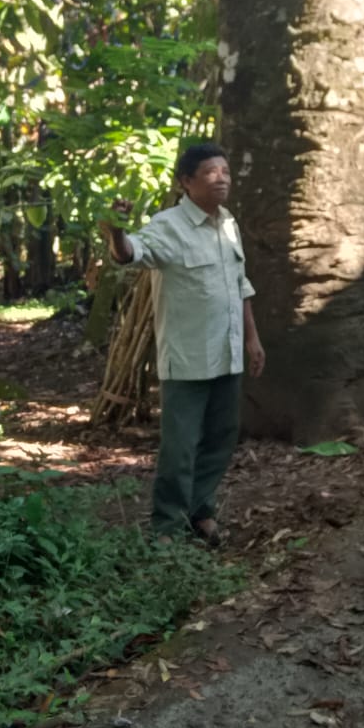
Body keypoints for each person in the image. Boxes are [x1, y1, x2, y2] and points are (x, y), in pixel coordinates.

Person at [99, 142, 265, 545]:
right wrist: (117, 232)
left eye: (225, 171)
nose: (221, 178)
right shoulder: (168, 225)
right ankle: (168, 526)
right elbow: (131, 253)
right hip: (188, 357)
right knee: (181, 446)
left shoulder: (228, 223)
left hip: (227, 352)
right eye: (210, 172)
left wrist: (252, 338)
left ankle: (200, 511)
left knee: (221, 437)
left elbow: (239, 285)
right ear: (186, 182)